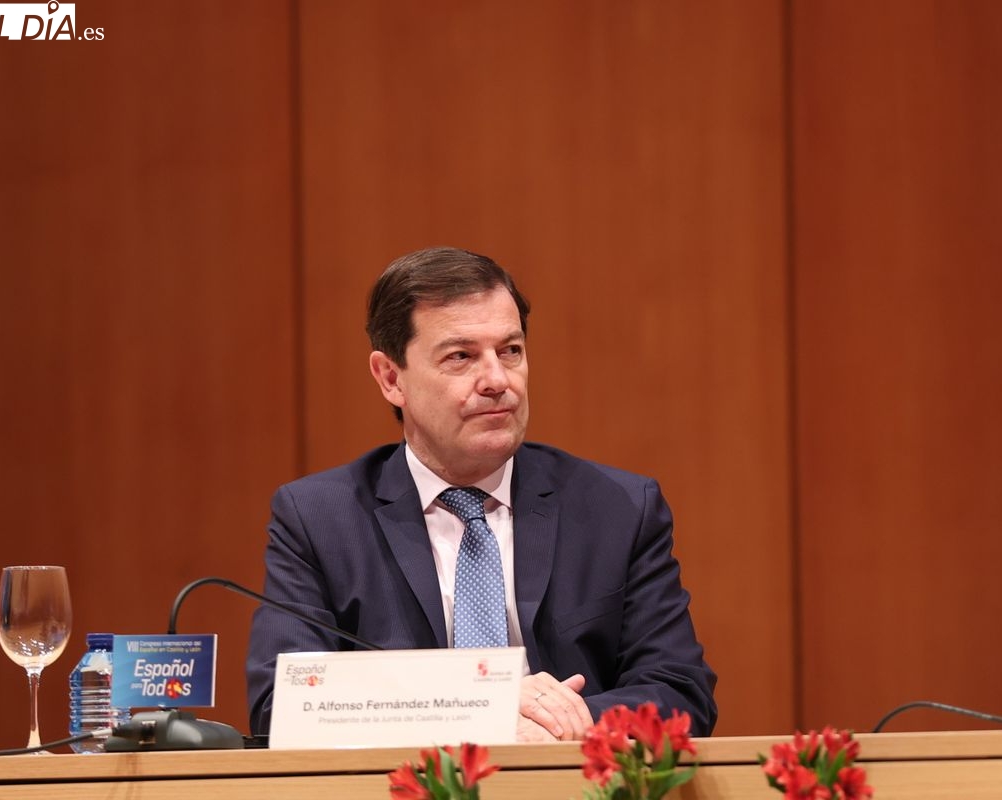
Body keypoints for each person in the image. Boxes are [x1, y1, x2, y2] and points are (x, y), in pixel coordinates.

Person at [246, 247, 717, 742]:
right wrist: (481, 707)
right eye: (461, 357)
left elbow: (680, 691)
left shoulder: (617, 508)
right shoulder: (320, 519)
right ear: (391, 378)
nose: (497, 380)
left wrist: (561, 726)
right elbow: (281, 707)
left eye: (510, 351)